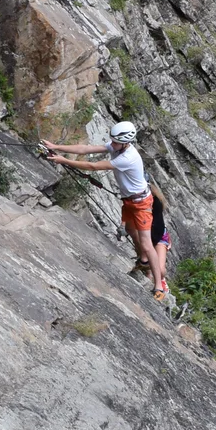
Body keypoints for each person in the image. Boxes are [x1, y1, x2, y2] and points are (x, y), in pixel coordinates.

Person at [42, 121, 166, 300]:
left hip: (141, 204)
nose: (112, 144)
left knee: (147, 243)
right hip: (130, 201)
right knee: (131, 230)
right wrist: (56, 147)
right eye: (112, 141)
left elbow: (94, 167)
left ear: (126, 142)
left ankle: (158, 286)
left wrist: (63, 161)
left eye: (116, 142)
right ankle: (143, 260)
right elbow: (86, 149)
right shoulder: (118, 147)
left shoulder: (127, 157)